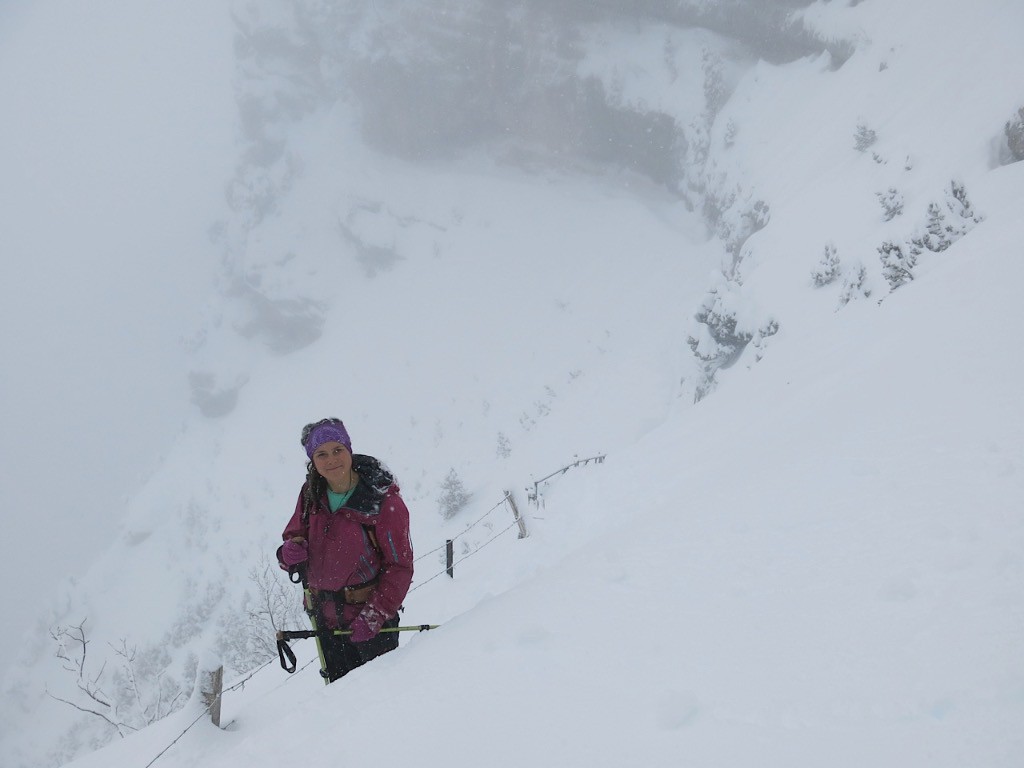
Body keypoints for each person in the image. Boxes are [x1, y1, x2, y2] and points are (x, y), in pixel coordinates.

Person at [277, 418, 414, 682]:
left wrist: (374, 616)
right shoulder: (310, 493)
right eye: (321, 454)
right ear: (312, 460)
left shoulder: (382, 502)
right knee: (339, 708)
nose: (331, 460)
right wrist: (288, 553)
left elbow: (400, 567)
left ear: (349, 450)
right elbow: (294, 535)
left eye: (337, 450)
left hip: (371, 624)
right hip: (325, 621)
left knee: (378, 700)